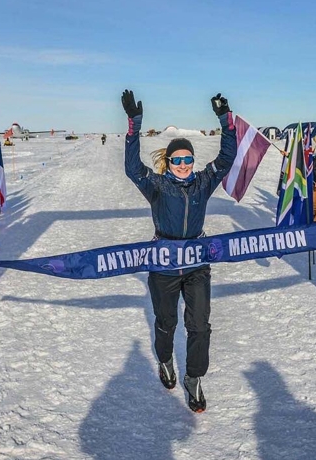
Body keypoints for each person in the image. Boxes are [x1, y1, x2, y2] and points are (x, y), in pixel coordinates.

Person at [121, 89, 236, 413]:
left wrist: (226, 120)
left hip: (197, 265)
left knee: (200, 326)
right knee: (166, 322)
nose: (184, 164)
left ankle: (194, 377)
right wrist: (134, 124)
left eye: (188, 159)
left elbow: (226, 159)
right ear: (168, 162)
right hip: (164, 267)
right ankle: (166, 359)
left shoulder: (202, 182)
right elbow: (132, 168)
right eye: (178, 160)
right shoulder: (156, 185)